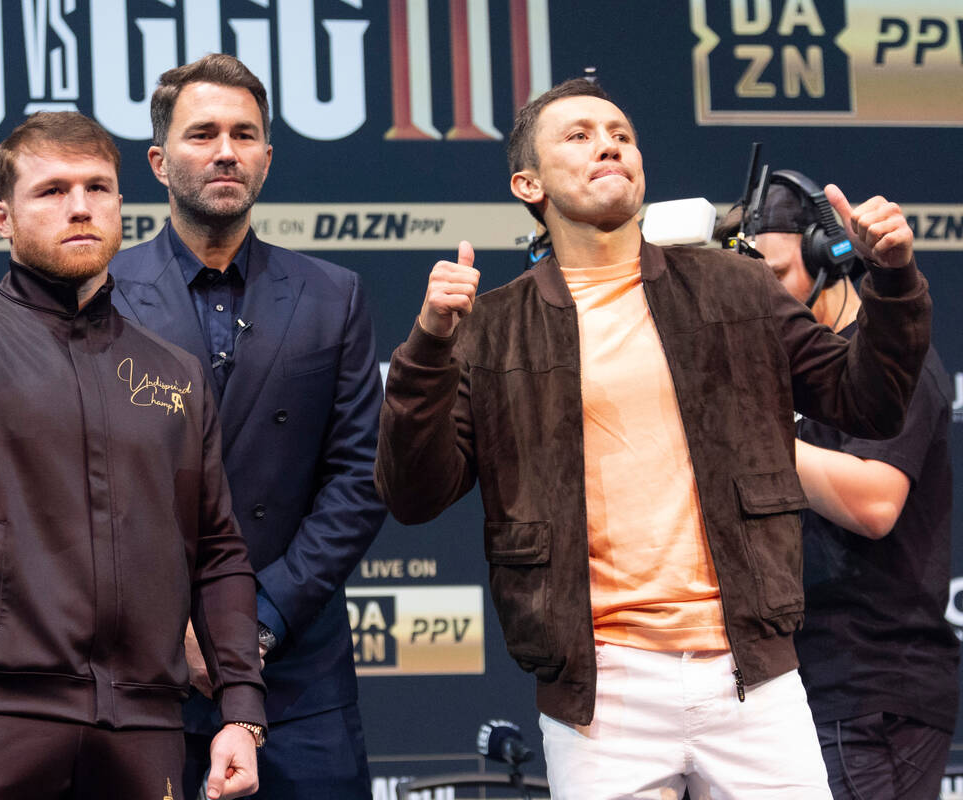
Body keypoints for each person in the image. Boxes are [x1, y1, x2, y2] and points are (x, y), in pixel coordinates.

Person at [375, 78, 932, 799]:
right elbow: (413, 494)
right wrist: (426, 349)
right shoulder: (491, 328)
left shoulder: (737, 286)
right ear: (527, 183)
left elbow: (871, 402)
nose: (608, 142)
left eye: (622, 133)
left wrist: (892, 281)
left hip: (751, 676)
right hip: (600, 693)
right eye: (577, 135)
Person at [0, 111, 265, 800]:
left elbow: (218, 551)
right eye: (52, 190)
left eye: (98, 187)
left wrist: (240, 710)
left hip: (144, 724)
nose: (81, 207)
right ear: (1, 216)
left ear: (123, 204)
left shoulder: (174, 371)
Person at [109, 54, 386, 800]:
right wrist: (176, 631)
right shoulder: (99, 293)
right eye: (202, 134)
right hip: (140, 673)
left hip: (296, 669)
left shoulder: (334, 295)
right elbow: (79, 488)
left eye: (244, 134)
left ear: (267, 156)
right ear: (160, 162)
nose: (225, 151)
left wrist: (257, 622)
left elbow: (361, 476)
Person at [727, 178, 959, 799]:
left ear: (828, 259)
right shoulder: (780, 375)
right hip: (802, 682)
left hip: (870, 685)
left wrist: (748, 426)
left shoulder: (888, 364)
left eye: (775, 276)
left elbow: (875, 503)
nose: (761, 298)